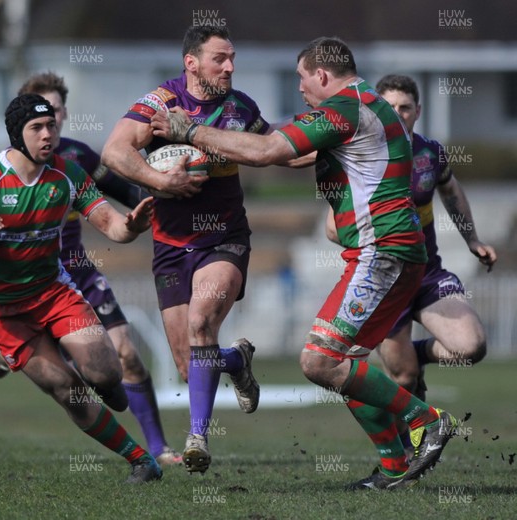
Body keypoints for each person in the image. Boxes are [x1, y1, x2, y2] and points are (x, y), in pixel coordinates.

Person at [151, 36, 458, 489]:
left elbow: (268, 151)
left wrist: (189, 131)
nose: (300, 89)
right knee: (347, 362)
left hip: (383, 251)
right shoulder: (361, 106)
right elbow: (278, 144)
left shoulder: (345, 108)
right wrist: (225, 138)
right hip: (388, 251)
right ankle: (394, 466)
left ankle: (426, 419)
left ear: (321, 75)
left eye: (300, 79)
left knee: (318, 360)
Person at [0, 93, 162, 483]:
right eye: (37, 128)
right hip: (3, 310)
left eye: (51, 126)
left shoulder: (68, 174)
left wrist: (132, 227)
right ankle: (142, 460)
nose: (48, 135)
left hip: (53, 292)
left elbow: (111, 226)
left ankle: (109, 386)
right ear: (17, 136)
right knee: (67, 389)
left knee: (106, 370)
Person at [101, 25, 268, 474]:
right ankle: (237, 360)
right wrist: (161, 181)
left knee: (201, 323)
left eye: (232, 57)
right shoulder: (160, 102)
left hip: (225, 238)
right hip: (172, 246)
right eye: (220, 59)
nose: (230, 66)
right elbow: (114, 153)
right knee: (188, 362)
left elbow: (276, 150)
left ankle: (198, 438)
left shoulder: (240, 108)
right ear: (191, 63)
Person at [332, 74, 493, 454]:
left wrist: (473, 239)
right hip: (386, 280)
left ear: (418, 112)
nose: (399, 114)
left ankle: (417, 352)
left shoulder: (429, 154)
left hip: (426, 273)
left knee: (472, 346)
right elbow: (332, 227)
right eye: (391, 107)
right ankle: (403, 455)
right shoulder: (363, 156)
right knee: (402, 378)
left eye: (406, 107)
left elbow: (451, 191)